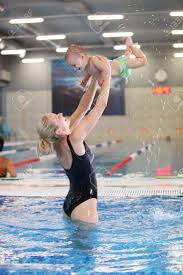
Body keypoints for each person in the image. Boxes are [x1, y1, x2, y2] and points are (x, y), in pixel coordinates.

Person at [37, 65, 111, 224]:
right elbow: (100, 106)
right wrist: (108, 76)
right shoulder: (75, 137)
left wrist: (94, 80)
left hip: (71, 203)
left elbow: (83, 107)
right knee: (88, 250)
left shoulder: (58, 142)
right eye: (57, 118)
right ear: (59, 132)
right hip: (85, 207)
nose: (60, 114)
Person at [65, 37, 147, 87]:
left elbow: (106, 69)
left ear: (81, 57)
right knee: (126, 56)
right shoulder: (86, 68)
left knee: (142, 61)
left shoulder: (94, 60)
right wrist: (85, 80)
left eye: (74, 65)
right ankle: (128, 49)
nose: (74, 68)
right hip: (120, 69)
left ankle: (131, 46)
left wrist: (102, 80)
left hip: (121, 64)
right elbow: (91, 72)